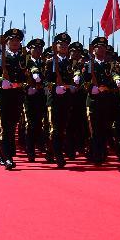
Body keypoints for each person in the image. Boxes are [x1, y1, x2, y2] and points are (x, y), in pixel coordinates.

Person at [0, 28, 28, 170]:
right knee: (4, 128)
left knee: (12, 127)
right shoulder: (0, 57)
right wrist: (1, 81)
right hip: (4, 97)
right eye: (12, 40)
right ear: (6, 42)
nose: (14, 42)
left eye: (17, 40)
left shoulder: (24, 58)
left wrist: (21, 84)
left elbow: (27, 77)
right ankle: (7, 157)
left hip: (17, 96)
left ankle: (2, 154)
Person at [80, 36, 118, 165]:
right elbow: (83, 82)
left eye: (103, 47)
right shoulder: (88, 65)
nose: (101, 49)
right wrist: (91, 88)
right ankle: (95, 154)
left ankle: (101, 152)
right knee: (94, 129)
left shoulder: (109, 66)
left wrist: (109, 86)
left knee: (104, 128)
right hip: (93, 101)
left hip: (106, 101)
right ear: (93, 49)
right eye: (98, 47)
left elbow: (113, 83)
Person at [44, 32, 76, 168]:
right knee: (55, 128)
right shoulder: (50, 62)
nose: (63, 46)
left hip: (67, 99)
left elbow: (74, 79)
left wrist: (72, 85)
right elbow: (45, 82)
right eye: (60, 44)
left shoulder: (71, 63)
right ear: (55, 46)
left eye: (65, 45)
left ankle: (51, 151)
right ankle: (58, 155)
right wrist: (53, 87)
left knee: (63, 128)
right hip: (54, 100)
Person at [23, 38, 48, 162]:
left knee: (42, 123)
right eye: (35, 48)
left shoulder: (45, 63)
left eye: (40, 49)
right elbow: (20, 78)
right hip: (29, 97)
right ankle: (30, 151)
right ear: (30, 50)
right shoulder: (24, 63)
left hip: (42, 96)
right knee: (30, 124)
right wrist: (27, 87)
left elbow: (48, 78)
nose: (38, 51)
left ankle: (42, 146)